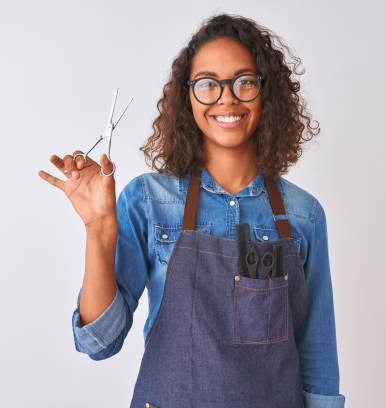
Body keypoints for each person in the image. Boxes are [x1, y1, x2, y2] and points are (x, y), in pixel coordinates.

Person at [38, 13, 345, 408]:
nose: (227, 97)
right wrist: (99, 228)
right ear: (188, 96)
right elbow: (99, 342)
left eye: (244, 82)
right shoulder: (148, 201)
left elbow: (318, 359)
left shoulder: (304, 216)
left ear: (266, 93)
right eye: (208, 85)